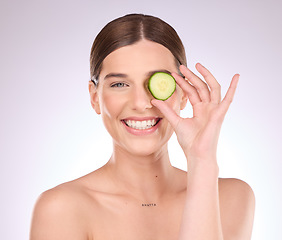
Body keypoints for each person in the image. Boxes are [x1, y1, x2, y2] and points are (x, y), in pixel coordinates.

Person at [30, 13, 255, 239]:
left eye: (157, 82)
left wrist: (202, 162)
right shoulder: (60, 209)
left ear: (184, 94)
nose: (141, 103)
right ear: (95, 97)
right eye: (119, 84)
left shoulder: (231, 197)